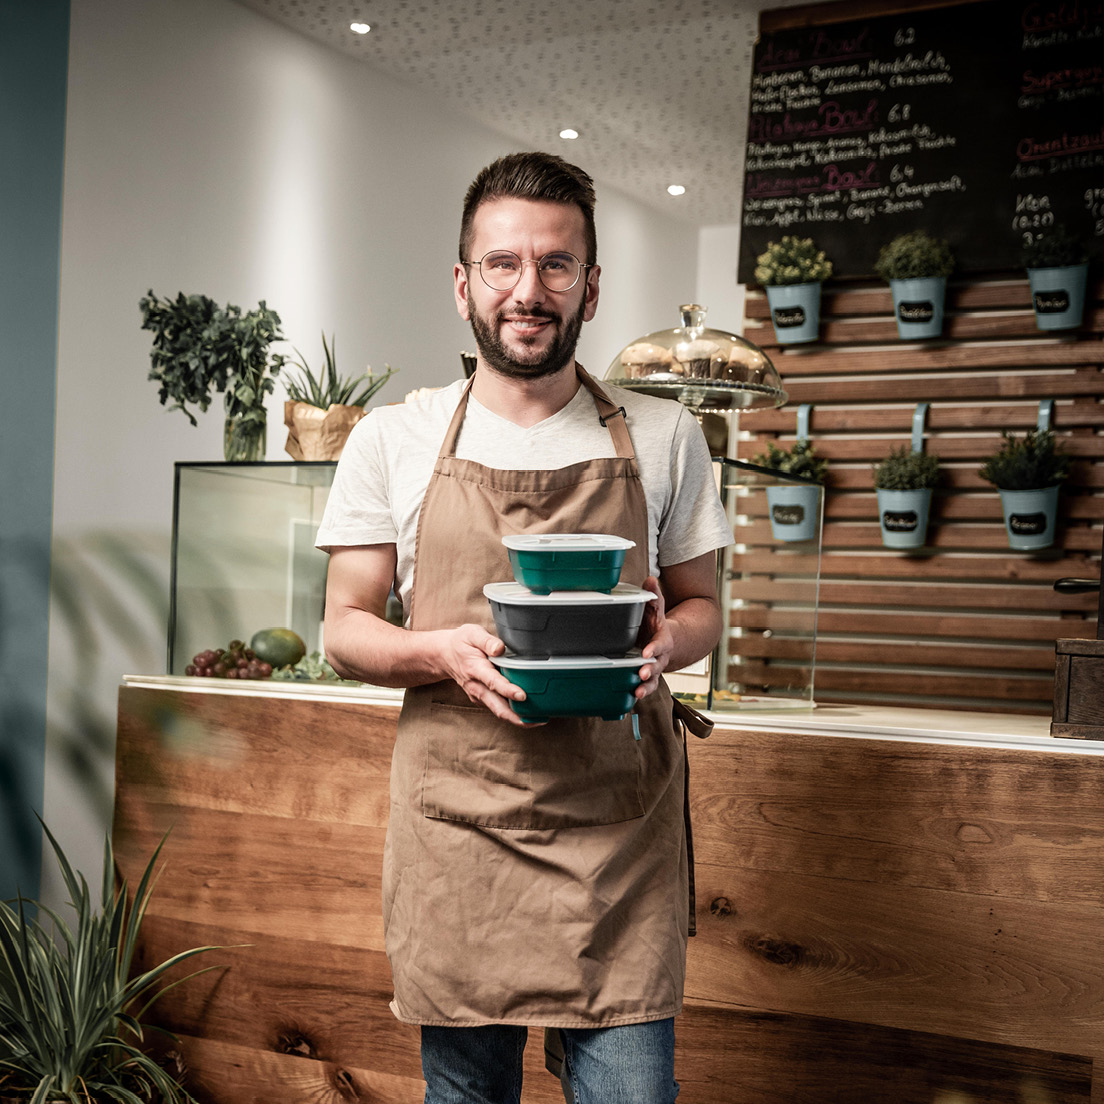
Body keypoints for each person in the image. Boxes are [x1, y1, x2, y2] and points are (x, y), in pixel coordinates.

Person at [316, 151, 733, 1104]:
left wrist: (665, 647)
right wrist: (436, 652)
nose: (528, 290)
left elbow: (702, 607)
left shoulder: (667, 435)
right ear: (463, 283)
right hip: (460, 833)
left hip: (617, 841)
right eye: (502, 263)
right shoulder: (396, 436)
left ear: (592, 285)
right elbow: (344, 628)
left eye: (556, 264)